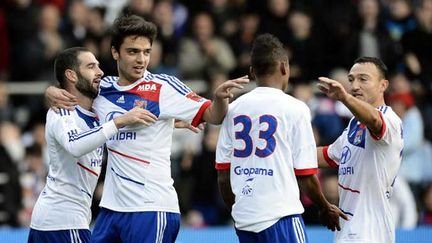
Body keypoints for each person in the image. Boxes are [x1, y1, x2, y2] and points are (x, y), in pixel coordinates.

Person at [46, 15, 249, 243]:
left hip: (151, 208)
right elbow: (72, 86)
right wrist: (51, 91)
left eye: (146, 52)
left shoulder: (163, 87)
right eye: (133, 51)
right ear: (115, 52)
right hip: (111, 210)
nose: (141, 59)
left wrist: (220, 98)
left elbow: (214, 116)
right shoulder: (103, 88)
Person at [215, 33, 347, 243]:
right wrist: (325, 207)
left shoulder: (233, 110)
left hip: (245, 222)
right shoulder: (296, 109)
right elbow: (305, 175)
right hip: (280, 216)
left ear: (252, 72)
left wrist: (239, 211)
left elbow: (223, 176)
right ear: (285, 67)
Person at [29, 47, 157, 243]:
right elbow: (75, 145)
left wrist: (169, 122)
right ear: (71, 75)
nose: (100, 72)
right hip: (62, 221)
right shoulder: (62, 111)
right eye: (91, 66)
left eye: (98, 65)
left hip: (65, 220)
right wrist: (119, 122)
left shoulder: (98, 111)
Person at [316, 57, 404, 243]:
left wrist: (344, 98)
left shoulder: (390, 119)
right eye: (351, 80)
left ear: (383, 85)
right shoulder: (354, 124)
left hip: (370, 232)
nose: (354, 86)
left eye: (363, 79)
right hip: (348, 229)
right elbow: (327, 155)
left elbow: (375, 121)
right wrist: (279, 152)